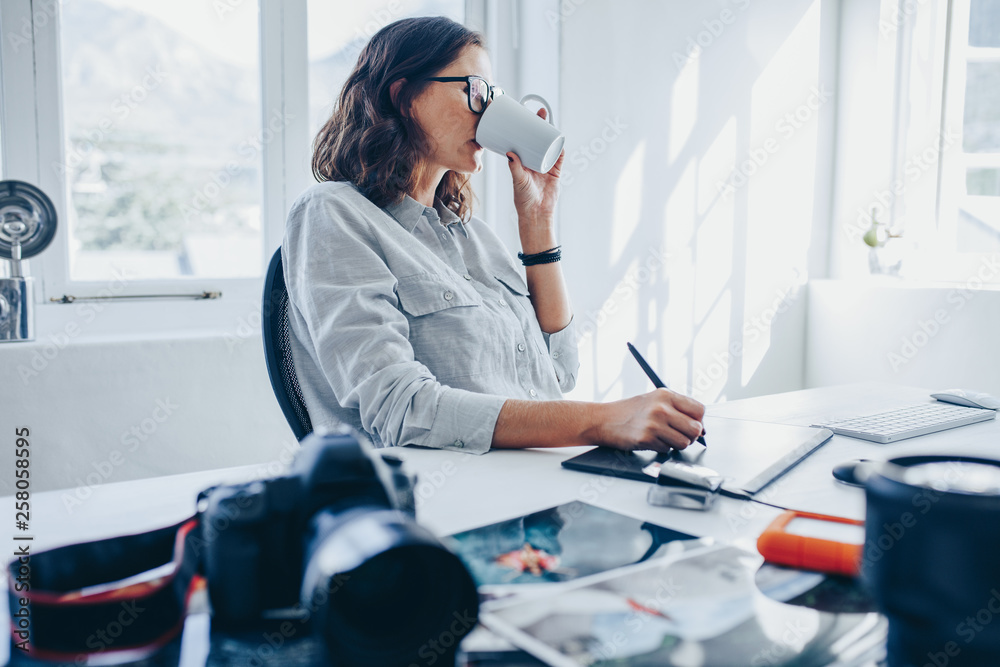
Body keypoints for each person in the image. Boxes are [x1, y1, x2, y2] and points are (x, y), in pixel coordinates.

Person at [283, 16, 704, 456]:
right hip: (440, 499)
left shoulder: (472, 238)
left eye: (495, 96)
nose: (491, 113)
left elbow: (558, 371)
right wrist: (602, 420)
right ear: (404, 96)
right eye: (477, 93)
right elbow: (401, 408)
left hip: (534, 480)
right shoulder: (333, 214)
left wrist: (537, 224)